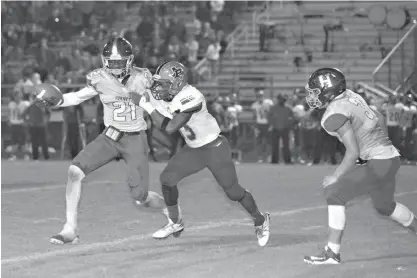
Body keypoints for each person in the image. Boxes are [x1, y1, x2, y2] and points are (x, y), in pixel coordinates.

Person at [35, 37, 165, 245]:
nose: (114, 67)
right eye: (111, 62)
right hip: (110, 136)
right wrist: (59, 101)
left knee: (141, 198)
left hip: (135, 139)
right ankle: (70, 229)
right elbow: (77, 97)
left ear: (129, 61)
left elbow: (160, 102)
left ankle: (168, 208)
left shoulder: (143, 77)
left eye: (119, 62)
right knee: (75, 172)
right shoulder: (99, 78)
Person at [129, 61, 270, 246]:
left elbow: (170, 127)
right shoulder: (165, 94)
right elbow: (139, 90)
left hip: (214, 147)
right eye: (160, 83)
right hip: (193, 148)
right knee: (167, 179)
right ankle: (175, 222)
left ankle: (260, 220)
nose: (160, 87)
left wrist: (146, 105)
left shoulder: (191, 96)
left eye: (164, 84)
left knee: (233, 192)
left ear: (177, 83)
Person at [303, 68, 417, 265]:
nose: (312, 95)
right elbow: (379, 117)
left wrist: (336, 175)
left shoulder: (334, 114)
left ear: (327, 90)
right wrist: (381, 144)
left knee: (334, 192)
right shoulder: (350, 96)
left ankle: (332, 253)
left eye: (315, 90)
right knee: (384, 206)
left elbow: (353, 151)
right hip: (390, 158)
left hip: (379, 163)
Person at [251, 89, 273, 162]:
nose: (259, 97)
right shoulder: (254, 105)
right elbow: (254, 116)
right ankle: (260, 157)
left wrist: (271, 124)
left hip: (267, 124)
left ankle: (269, 156)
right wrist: (255, 126)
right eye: (258, 96)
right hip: (259, 124)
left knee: (269, 141)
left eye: (260, 95)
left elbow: (272, 114)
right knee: (258, 142)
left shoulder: (269, 102)